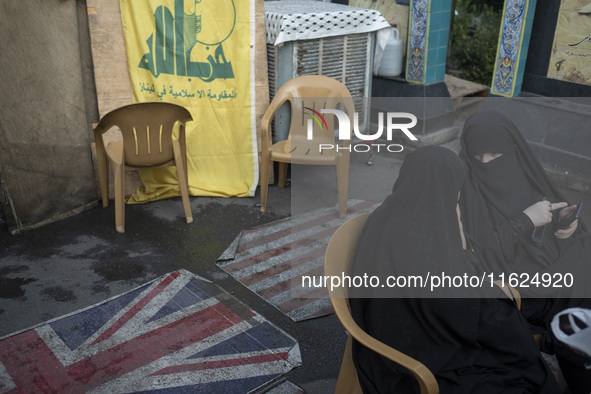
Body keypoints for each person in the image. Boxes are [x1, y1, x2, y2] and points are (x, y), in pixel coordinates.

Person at [350, 146, 560, 393]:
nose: (457, 206)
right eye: (455, 198)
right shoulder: (424, 239)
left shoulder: (393, 213)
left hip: (399, 330)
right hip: (414, 356)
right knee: (512, 353)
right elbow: (451, 309)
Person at [459, 110, 591, 393]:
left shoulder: (525, 174)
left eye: (494, 156)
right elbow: (480, 253)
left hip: (550, 268)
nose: (485, 164)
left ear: (512, 150)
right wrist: (525, 220)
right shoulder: (466, 191)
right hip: (516, 289)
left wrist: (565, 225)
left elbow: (552, 214)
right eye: (477, 157)